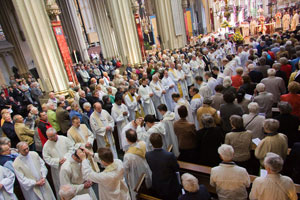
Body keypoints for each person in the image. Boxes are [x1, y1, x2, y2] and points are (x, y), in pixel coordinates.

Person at [145, 133, 181, 199]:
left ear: (151, 144)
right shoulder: (169, 155)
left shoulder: (148, 155)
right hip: (170, 184)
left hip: (157, 183)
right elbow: (176, 168)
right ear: (162, 142)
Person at [42, 128, 74, 199]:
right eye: (48, 137)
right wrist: (57, 161)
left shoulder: (64, 139)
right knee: (61, 184)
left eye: (51, 136)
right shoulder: (46, 146)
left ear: (55, 134)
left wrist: (66, 157)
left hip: (69, 164)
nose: (50, 138)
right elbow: (47, 158)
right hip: (58, 168)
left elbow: (71, 148)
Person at [123, 129, 152, 200]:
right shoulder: (143, 144)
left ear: (127, 139)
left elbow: (125, 170)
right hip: (146, 170)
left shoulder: (128, 155)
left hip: (136, 176)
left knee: (138, 192)